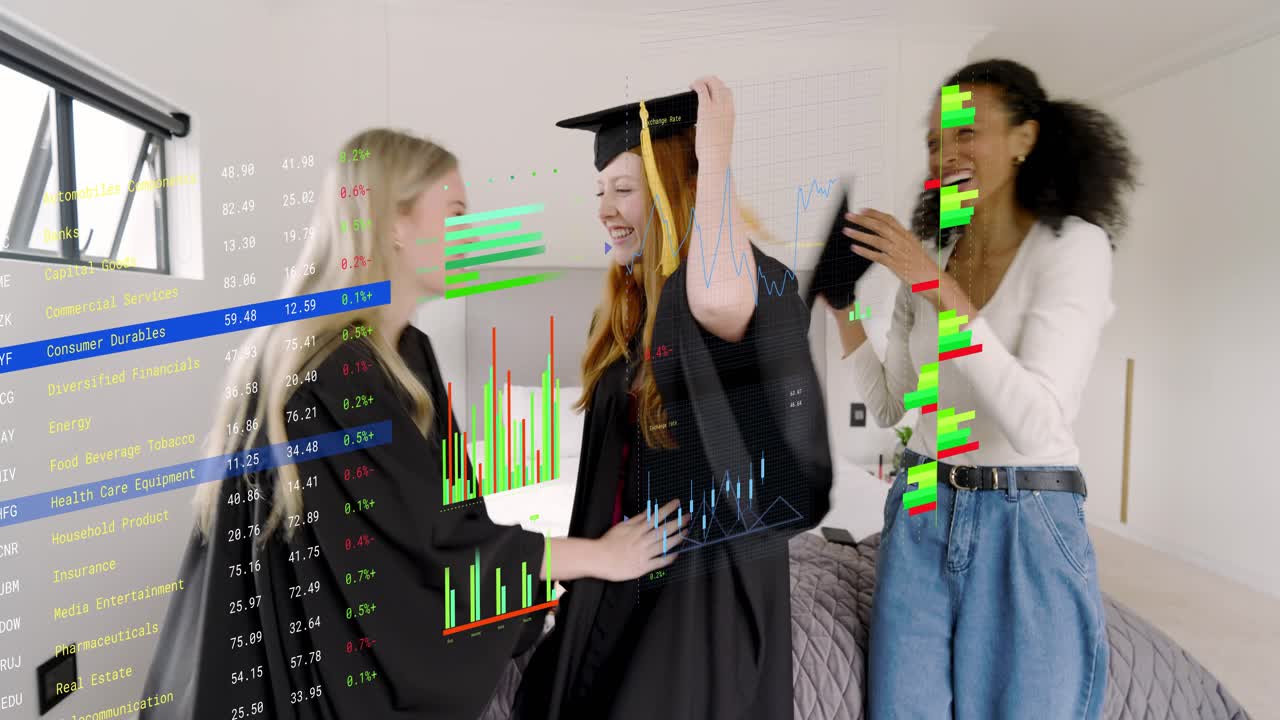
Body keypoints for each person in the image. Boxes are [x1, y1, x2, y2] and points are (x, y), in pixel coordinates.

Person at [139, 128, 687, 720]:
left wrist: (525, 597)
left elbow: (456, 510)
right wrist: (599, 557)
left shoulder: (406, 354)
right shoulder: (336, 371)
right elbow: (433, 545)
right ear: (395, 224)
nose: (467, 234)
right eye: (453, 214)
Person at [816, 59, 1137, 719]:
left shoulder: (1071, 247)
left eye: (966, 132)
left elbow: (1038, 423)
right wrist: (842, 305)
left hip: (1026, 516)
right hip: (922, 506)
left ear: (1025, 139)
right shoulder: (933, 255)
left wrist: (934, 287)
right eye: (935, 141)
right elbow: (895, 407)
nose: (946, 153)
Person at [512, 77, 833, 720]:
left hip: (700, 594)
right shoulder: (631, 309)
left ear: (674, 191)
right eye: (601, 191)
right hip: (626, 569)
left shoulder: (750, 282)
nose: (605, 208)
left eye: (625, 189)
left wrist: (712, 161)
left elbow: (713, 297)